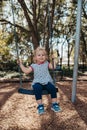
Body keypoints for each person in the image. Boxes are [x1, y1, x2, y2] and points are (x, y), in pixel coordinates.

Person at [18, 47, 61, 114]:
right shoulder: (33, 66)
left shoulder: (47, 63)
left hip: (47, 81)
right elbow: (26, 71)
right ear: (35, 57)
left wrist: (53, 59)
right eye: (39, 55)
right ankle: (40, 106)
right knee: (37, 88)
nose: (41, 56)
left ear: (46, 57)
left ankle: (54, 104)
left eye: (43, 55)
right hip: (37, 82)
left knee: (52, 88)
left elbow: (53, 67)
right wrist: (20, 64)